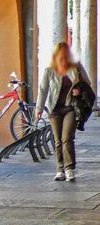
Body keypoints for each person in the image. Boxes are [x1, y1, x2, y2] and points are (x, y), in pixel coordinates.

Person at [37, 42, 94, 182]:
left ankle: (69, 169)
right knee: (57, 141)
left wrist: (79, 90)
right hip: (54, 110)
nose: (63, 60)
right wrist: (38, 110)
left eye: (65, 57)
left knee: (66, 138)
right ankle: (59, 169)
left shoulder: (76, 67)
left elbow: (88, 83)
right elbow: (43, 90)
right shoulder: (49, 70)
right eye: (60, 58)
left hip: (71, 108)